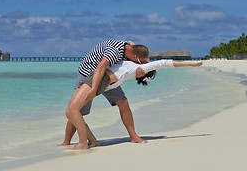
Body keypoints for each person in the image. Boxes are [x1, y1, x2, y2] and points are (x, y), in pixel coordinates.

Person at [66, 59, 203, 149]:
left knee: (73, 111)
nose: (141, 72)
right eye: (143, 71)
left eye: (143, 74)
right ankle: (87, 141)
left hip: (105, 82)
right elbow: (163, 63)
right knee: (72, 111)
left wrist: (190, 65)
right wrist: (190, 63)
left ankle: (84, 142)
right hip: (98, 79)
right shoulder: (139, 65)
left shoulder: (136, 69)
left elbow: (163, 64)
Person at [60, 40, 150, 148]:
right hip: (88, 75)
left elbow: (132, 44)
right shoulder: (114, 52)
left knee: (123, 102)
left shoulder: (130, 47)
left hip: (107, 76)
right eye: (140, 62)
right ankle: (67, 142)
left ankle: (134, 136)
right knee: (77, 110)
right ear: (135, 57)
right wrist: (93, 89)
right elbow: (100, 67)